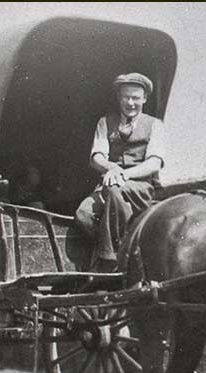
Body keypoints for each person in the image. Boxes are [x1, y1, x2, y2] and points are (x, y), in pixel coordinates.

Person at [75, 72, 166, 272]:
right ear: (119, 98)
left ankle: (111, 262)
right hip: (109, 182)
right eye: (126, 97)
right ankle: (126, 246)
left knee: (115, 191)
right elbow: (96, 157)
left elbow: (154, 163)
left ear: (144, 99)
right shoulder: (104, 122)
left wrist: (125, 174)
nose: (131, 103)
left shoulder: (154, 125)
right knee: (83, 215)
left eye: (135, 98)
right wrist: (113, 168)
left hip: (141, 186)